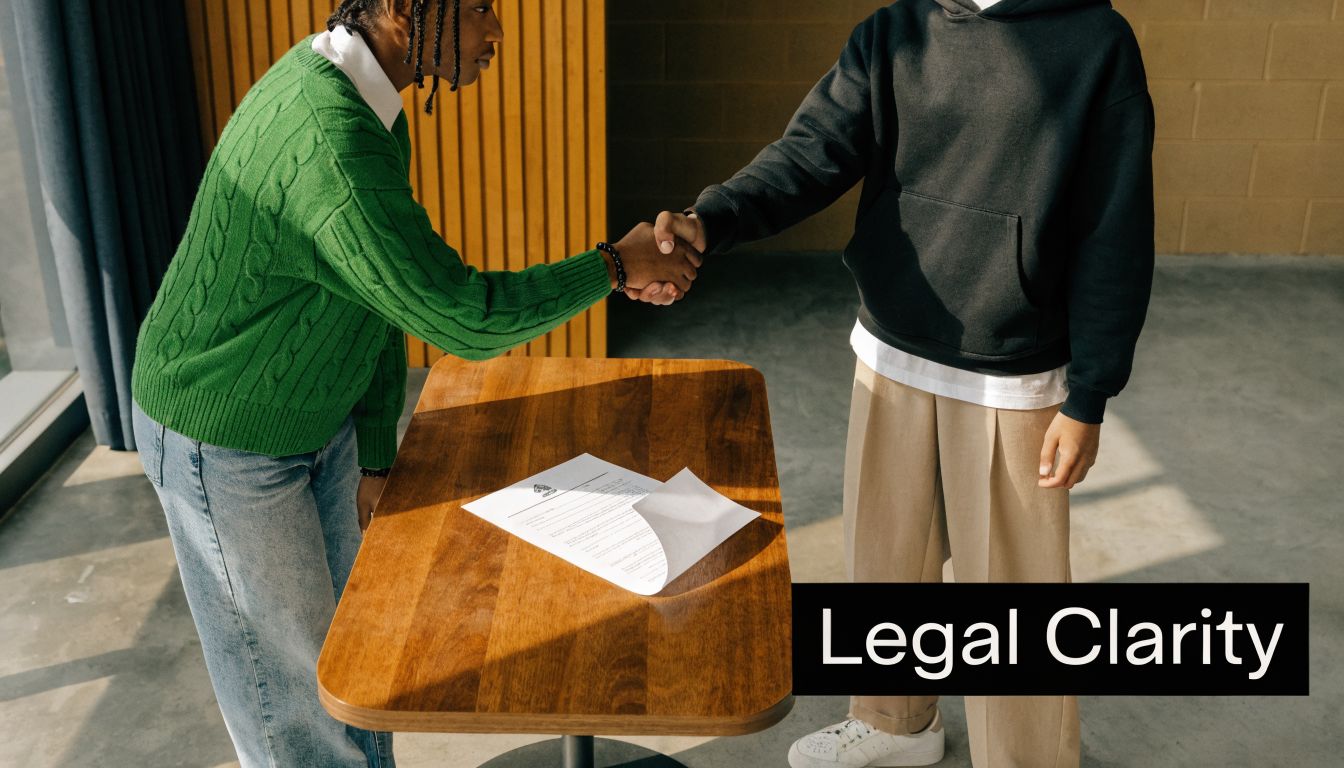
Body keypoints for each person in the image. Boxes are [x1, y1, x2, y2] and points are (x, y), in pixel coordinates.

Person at [129, 1, 700, 765]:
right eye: (478, 11)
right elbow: (459, 316)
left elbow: (373, 294)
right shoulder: (330, 137)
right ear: (404, 11)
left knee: (357, 672)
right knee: (294, 712)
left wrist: (371, 448)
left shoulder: (366, 106)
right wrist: (616, 264)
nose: (496, 31)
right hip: (224, 439)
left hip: (314, 417)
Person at [643, 0, 1154, 765]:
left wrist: (1090, 396)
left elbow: (1117, 227)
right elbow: (812, 152)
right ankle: (895, 721)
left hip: (1012, 369)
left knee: (1012, 599)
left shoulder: (1095, 43)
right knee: (888, 559)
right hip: (893, 349)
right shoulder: (897, 31)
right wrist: (710, 219)